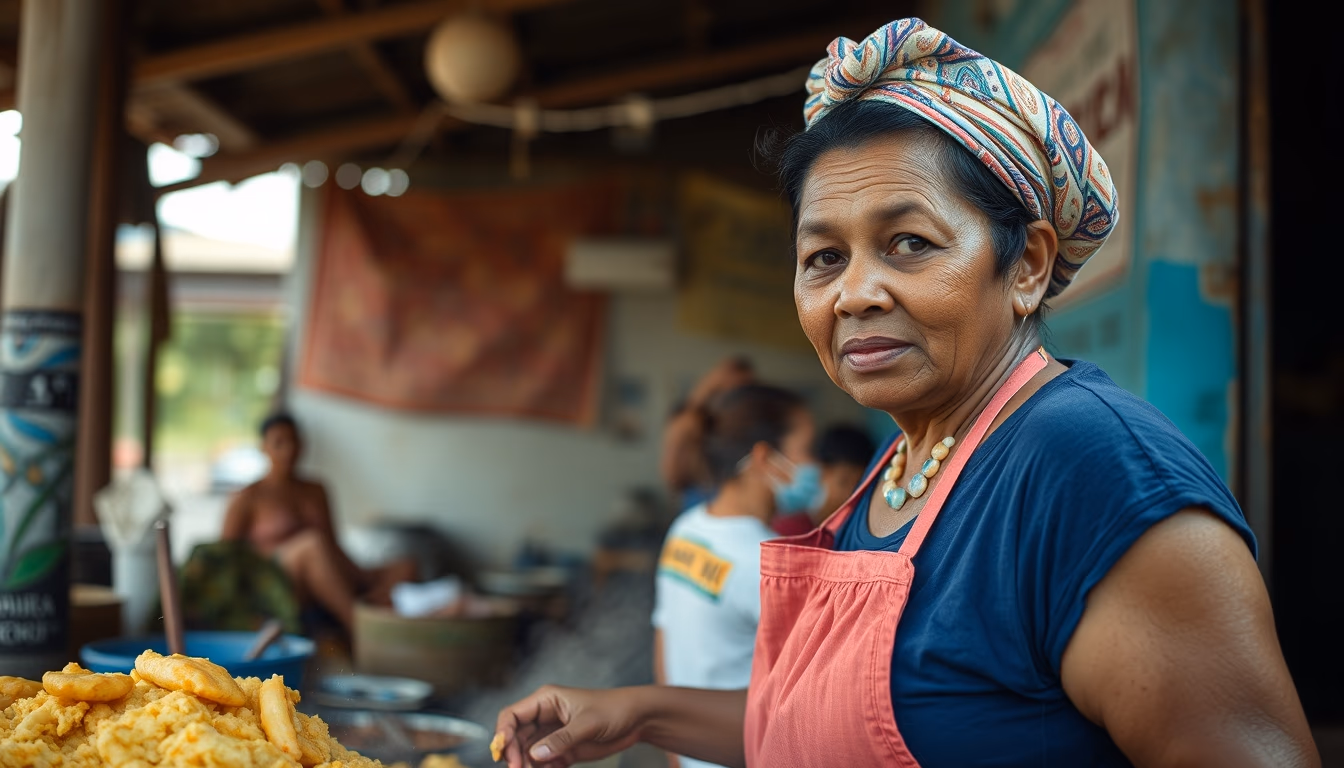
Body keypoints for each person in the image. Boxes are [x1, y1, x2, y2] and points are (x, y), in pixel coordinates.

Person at [493, 18, 1318, 768]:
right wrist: (636, 712)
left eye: (909, 244)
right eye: (823, 258)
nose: (855, 293)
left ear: (1026, 265)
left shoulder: (1089, 466)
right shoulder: (907, 463)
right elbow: (852, 721)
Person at [653, 385, 816, 768]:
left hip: (691, 753)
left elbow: (664, 640)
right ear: (764, 458)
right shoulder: (774, 565)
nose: (815, 467)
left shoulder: (686, 529)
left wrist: (676, 752)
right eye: (807, 450)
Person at [221, 413, 416, 634]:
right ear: (263, 447)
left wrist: (361, 575)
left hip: (322, 571)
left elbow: (331, 544)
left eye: (294, 441)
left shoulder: (316, 490)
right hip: (275, 582)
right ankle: (361, 629)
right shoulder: (248, 497)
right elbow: (224, 557)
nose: (288, 450)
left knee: (406, 566)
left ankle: (370, 608)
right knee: (311, 544)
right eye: (279, 443)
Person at [660, 357, 755, 511]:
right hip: (701, 503)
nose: (736, 397)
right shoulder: (695, 422)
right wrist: (710, 384)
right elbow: (671, 475)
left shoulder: (750, 427)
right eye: (731, 389)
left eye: (744, 391)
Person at [771, 423, 875, 536]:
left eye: (858, 487)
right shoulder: (791, 531)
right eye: (844, 482)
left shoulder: (856, 534)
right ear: (821, 472)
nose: (849, 494)